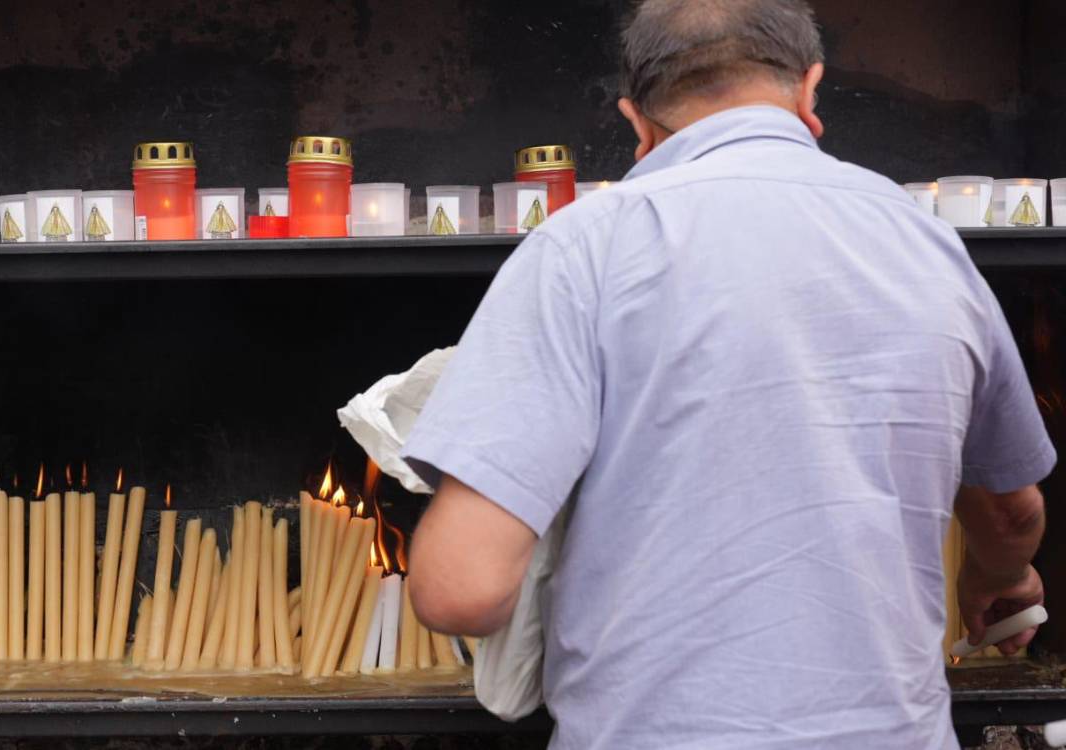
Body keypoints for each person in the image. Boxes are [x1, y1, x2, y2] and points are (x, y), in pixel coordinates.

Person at [401, 0, 1054, 747]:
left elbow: (460, 592)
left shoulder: (581, 248)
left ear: (636, 122)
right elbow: (1011, 513)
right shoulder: (930, 244)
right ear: (810, 92)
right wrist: (1000, 575)